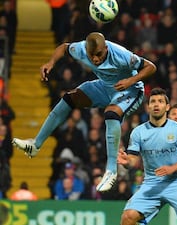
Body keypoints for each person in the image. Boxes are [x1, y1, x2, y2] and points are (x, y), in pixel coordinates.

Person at [12, 32, 157, 192]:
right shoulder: (81, 48)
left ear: (106, 48)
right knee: (69, 99)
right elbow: (64, 48)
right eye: (91, 55)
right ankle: (35, 145)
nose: (95, 59)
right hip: (105, 87)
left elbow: (150, 66)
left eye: (99, 55)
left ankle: (111, 171)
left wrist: (131, 80)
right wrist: (50, 62)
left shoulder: (121, 55)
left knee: (111, 114)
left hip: (130, 90)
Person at [117, 88, 177, 225]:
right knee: (127, 217)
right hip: (151, 183)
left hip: (176, 182)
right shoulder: (138, 132)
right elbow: (133, 159)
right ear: (148, 107)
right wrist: (127, 162)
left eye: (160, 101)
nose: (156, 104)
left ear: (167, 107)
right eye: (153, 101)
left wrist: (172, 169)